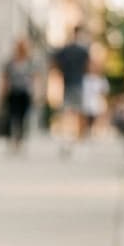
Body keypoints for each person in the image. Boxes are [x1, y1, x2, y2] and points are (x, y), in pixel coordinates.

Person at [52, 25, 91, 153]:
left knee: (67, 113)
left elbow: (55, 64)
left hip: (68, 83)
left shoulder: (65, 49)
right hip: (77, 83)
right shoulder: (83, 50)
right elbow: (88, 67)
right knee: (79, 112)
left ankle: (66, 138)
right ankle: (78, 140)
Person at [1, 37, 36, 152]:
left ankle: (19, 141)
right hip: (13, 92)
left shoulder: (30, 61)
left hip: (25, 92)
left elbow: (34, 78)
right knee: (11, 117)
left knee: (22, 118)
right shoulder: (11, 62)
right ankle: (10, 140)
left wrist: (35, 92)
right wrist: (2, 91)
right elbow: (5, 78)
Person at [80, 58, 108, 139]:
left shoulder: (100, 79)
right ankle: (84, 133)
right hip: (86, 101)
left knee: (94, 118)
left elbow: (104, 92)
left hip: (96, 102)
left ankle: (94, 133)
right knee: (85, 117)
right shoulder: (84, 78)